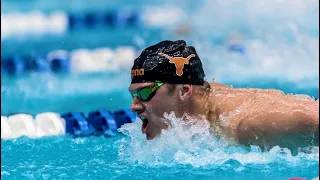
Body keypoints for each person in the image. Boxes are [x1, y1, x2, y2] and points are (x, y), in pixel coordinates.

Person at [128, 40, 319, 148]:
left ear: (185, 91)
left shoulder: (246, 124)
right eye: (134, 94)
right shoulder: (200, 104)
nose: (134, 105)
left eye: (145, 92)